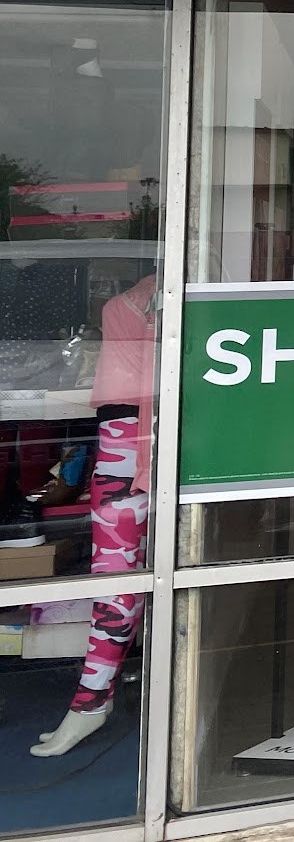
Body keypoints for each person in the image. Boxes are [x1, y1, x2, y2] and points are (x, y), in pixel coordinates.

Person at [32, 272, 154, 758]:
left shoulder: (177, 278)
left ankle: (91, 702)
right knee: (119, 576)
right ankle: (93, 699)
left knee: (119, 576)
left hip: (137, 434)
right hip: (122, 434)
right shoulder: (154, 281)